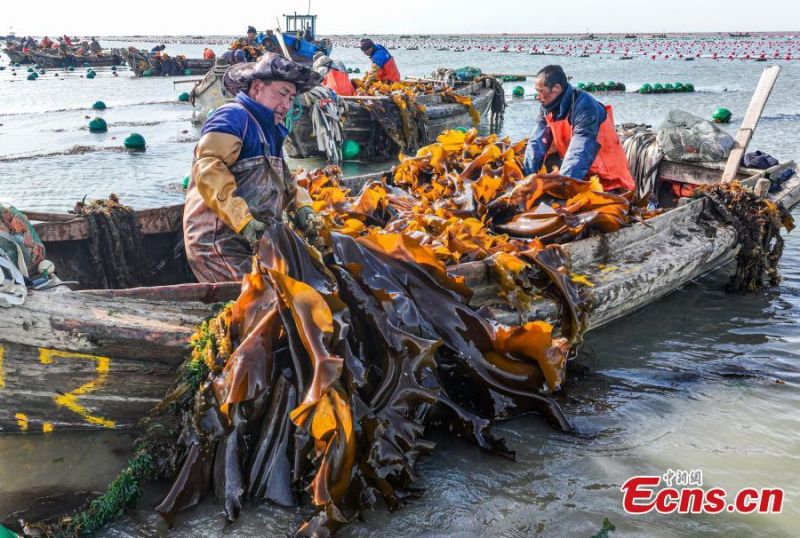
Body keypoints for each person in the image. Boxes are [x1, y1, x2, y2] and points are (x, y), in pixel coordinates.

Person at [183, 53, 324, 282]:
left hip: (256, 242)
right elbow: (209, 167)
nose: (286, 105)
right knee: (264, 303)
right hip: (219, 245)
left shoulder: (271, 129)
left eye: (291, 98)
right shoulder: (232, 117)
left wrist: (302, 206)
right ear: (257, 88)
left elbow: (284, 180)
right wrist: (244, 221)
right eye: (282, 94)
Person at [523, 65, 635, 192]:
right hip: (581, 177)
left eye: (540, 91)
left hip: (609, 181)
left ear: (556, 88)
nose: (537, 97)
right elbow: (536, 142)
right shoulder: (547, 107)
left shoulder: (585, 107)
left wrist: (563, 187)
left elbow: (580, 150)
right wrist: (527, 177)